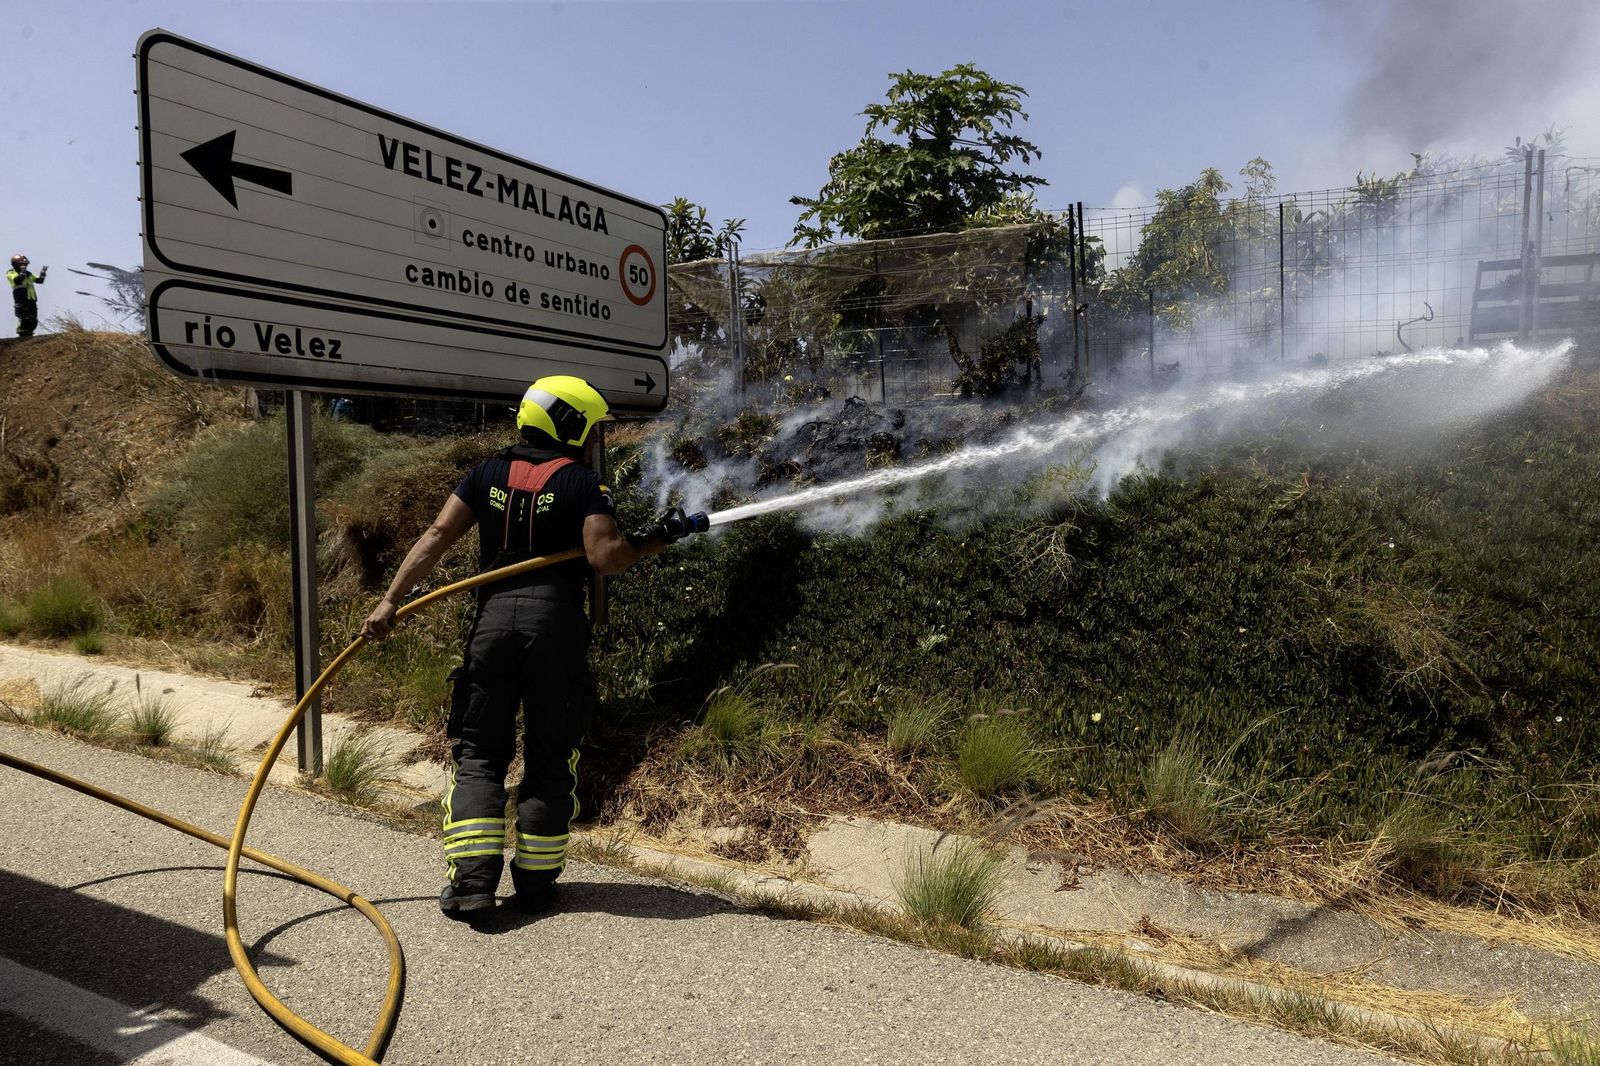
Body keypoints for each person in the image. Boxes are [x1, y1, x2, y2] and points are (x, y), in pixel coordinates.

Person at [360, 375, 704, 919]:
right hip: (555, 628)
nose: (595, 439)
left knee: (479, 755)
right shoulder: (582, 482)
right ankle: (538, 885)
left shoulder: (485, 473)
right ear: (569, 425)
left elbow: (434, 537)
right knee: (550, 753)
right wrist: (659, 537)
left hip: (492, 626)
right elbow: (606, 557)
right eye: (591, 428)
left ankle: (472, 884)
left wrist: (390, 601)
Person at [8, 254, 47, 338]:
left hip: (31, 299)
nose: (24, 266)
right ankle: (21, 331)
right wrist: (23, 273)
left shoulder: (28, 274)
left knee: (33, 317)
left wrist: (43, 273)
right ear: (16, 264)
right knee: (23, 316)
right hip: (21, 298)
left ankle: (29, 332)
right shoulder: (11, 273)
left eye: (25, 264)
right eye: (22, 264)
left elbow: (39, 280)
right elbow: (17, 280)